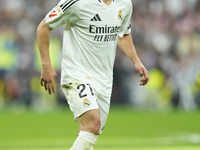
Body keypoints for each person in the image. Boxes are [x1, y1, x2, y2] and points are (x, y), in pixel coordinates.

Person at [37, 0, 150, 149]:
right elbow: (43, 27)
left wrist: (136, 61)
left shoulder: (125, 4)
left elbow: (123, 34)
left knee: (88, 134)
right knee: (93, 124)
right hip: (77, 73)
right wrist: (46, 65)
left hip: (104, 79)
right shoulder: (77, 3)